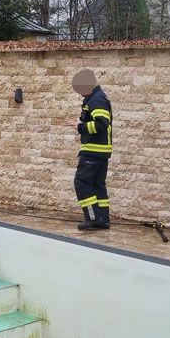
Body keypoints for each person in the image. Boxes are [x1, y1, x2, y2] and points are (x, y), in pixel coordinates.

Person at [72, 68, 112, 231]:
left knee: (81, 182)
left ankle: (93, 218)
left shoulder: (96, 100)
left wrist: (80, 126)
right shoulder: (98, 97)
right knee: (97, 184)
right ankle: (102, 219)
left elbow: (101, 124)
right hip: (101, 150)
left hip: (94, 150)